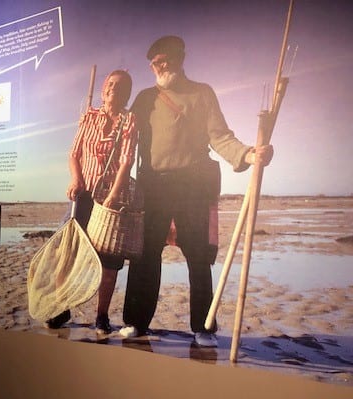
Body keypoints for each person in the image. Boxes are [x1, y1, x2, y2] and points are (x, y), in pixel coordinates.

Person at [121, 36, 274, 347]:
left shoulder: (202, 93)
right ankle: (136, 322)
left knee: (199, 256)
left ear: (180, 58)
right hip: (153, 184)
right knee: (145, 255)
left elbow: (220, 137)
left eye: (164, 60)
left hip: (193, 183)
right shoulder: (144, 98)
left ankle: (203, 327)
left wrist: (247, 154)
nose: (159, 67)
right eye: (154, 63)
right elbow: (124, 137)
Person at [45, 69, 138, 334]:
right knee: (67, 252)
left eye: (120, 86)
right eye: (110, 84)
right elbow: (74, 153)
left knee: (109, 261)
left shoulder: (130, 120)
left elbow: (125, 162)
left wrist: (111, 196)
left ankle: (102, 317)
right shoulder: (89, 116)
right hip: (82, 196)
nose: (113, 89)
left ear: (128, 93)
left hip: (111, 199)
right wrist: (76, 180)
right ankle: (61, 307)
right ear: (102, 89)